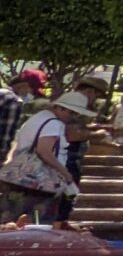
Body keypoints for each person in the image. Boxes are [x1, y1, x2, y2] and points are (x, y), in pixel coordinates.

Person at [1, 92, 88, 224]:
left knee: (10, 218)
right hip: (39, 184)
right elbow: (44, 151)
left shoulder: (38, 118)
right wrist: (66, 174)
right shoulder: (53, 124)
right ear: (60, 108)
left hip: (19, 178)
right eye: (72, 113)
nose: (73, 117)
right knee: (35, 222)